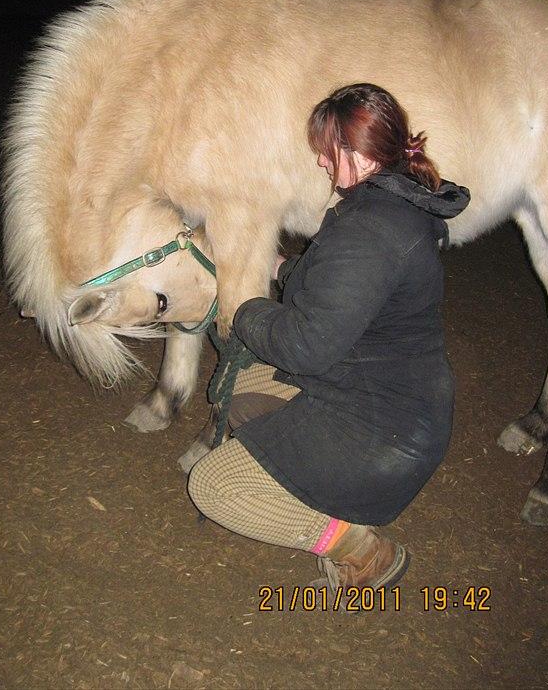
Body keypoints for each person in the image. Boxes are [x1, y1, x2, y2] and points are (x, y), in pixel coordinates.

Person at [187, 82, 470, 593]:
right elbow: (339, 285)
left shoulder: (371, 229)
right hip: (390, 401)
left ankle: (361, 551)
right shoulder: (392, 205)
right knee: (250, 390)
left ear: (358, 155)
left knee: (213, 486)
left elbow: (304, 346)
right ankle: (305, 485)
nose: (320, 161)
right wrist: (273, 266)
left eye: (326, 149)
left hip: (384, 434)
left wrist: (244, 307)